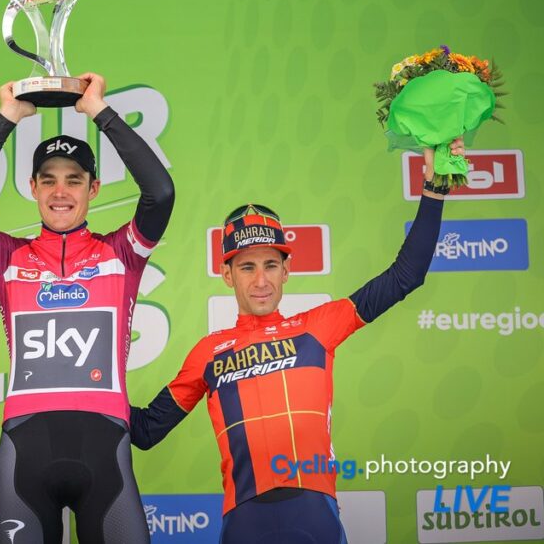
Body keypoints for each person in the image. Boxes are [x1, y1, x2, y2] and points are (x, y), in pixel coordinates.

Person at [129, 141, 464, 543]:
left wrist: (435, 188)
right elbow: (146, 430)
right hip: (245, 522)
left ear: (286, 271)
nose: (261, 280)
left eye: (271, 265)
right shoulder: (208, 353)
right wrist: (79, 390)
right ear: (227, 275)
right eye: (247, 267)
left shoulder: (318, 326)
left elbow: (405, 276)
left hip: (314, 515)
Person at [0, 73, 175, 543]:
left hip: (105, 447)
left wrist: (98, 111)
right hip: (25, 449)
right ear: (32, 187)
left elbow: (161, 193)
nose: (60, 192)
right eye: (48, 180)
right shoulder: (7, 258)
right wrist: (8, 116)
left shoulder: (121, 253)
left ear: (94, 188)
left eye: (74, 180)